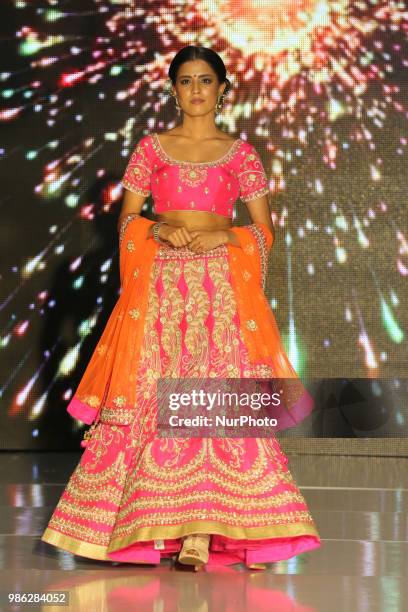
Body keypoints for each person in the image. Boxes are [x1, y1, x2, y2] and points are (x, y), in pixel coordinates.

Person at [41, 45, 321, 571]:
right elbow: (126, 222)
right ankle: (168, 527)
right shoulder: (151, 149)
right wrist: (155, 228)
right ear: (174, 90)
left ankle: (229, 527)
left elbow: (265, 232)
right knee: (161, 397)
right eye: (186, 80)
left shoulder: (241, 155)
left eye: (206, 80)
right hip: (163, 286)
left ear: (222, 89)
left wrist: (228, 242)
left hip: (220, 289)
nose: (196, 89)